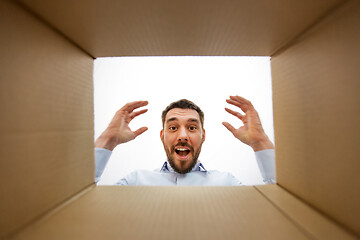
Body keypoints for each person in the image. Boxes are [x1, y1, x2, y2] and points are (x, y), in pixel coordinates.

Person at [94, 95, 275, 185]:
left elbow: (280, 208)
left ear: (203, 136)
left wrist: (260, 142)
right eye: (173, 128)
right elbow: (78, 200)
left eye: (192, 128)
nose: (183, 136)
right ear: (162, 136)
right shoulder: (136, 181)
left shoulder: (227, 182)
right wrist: (107, 140)